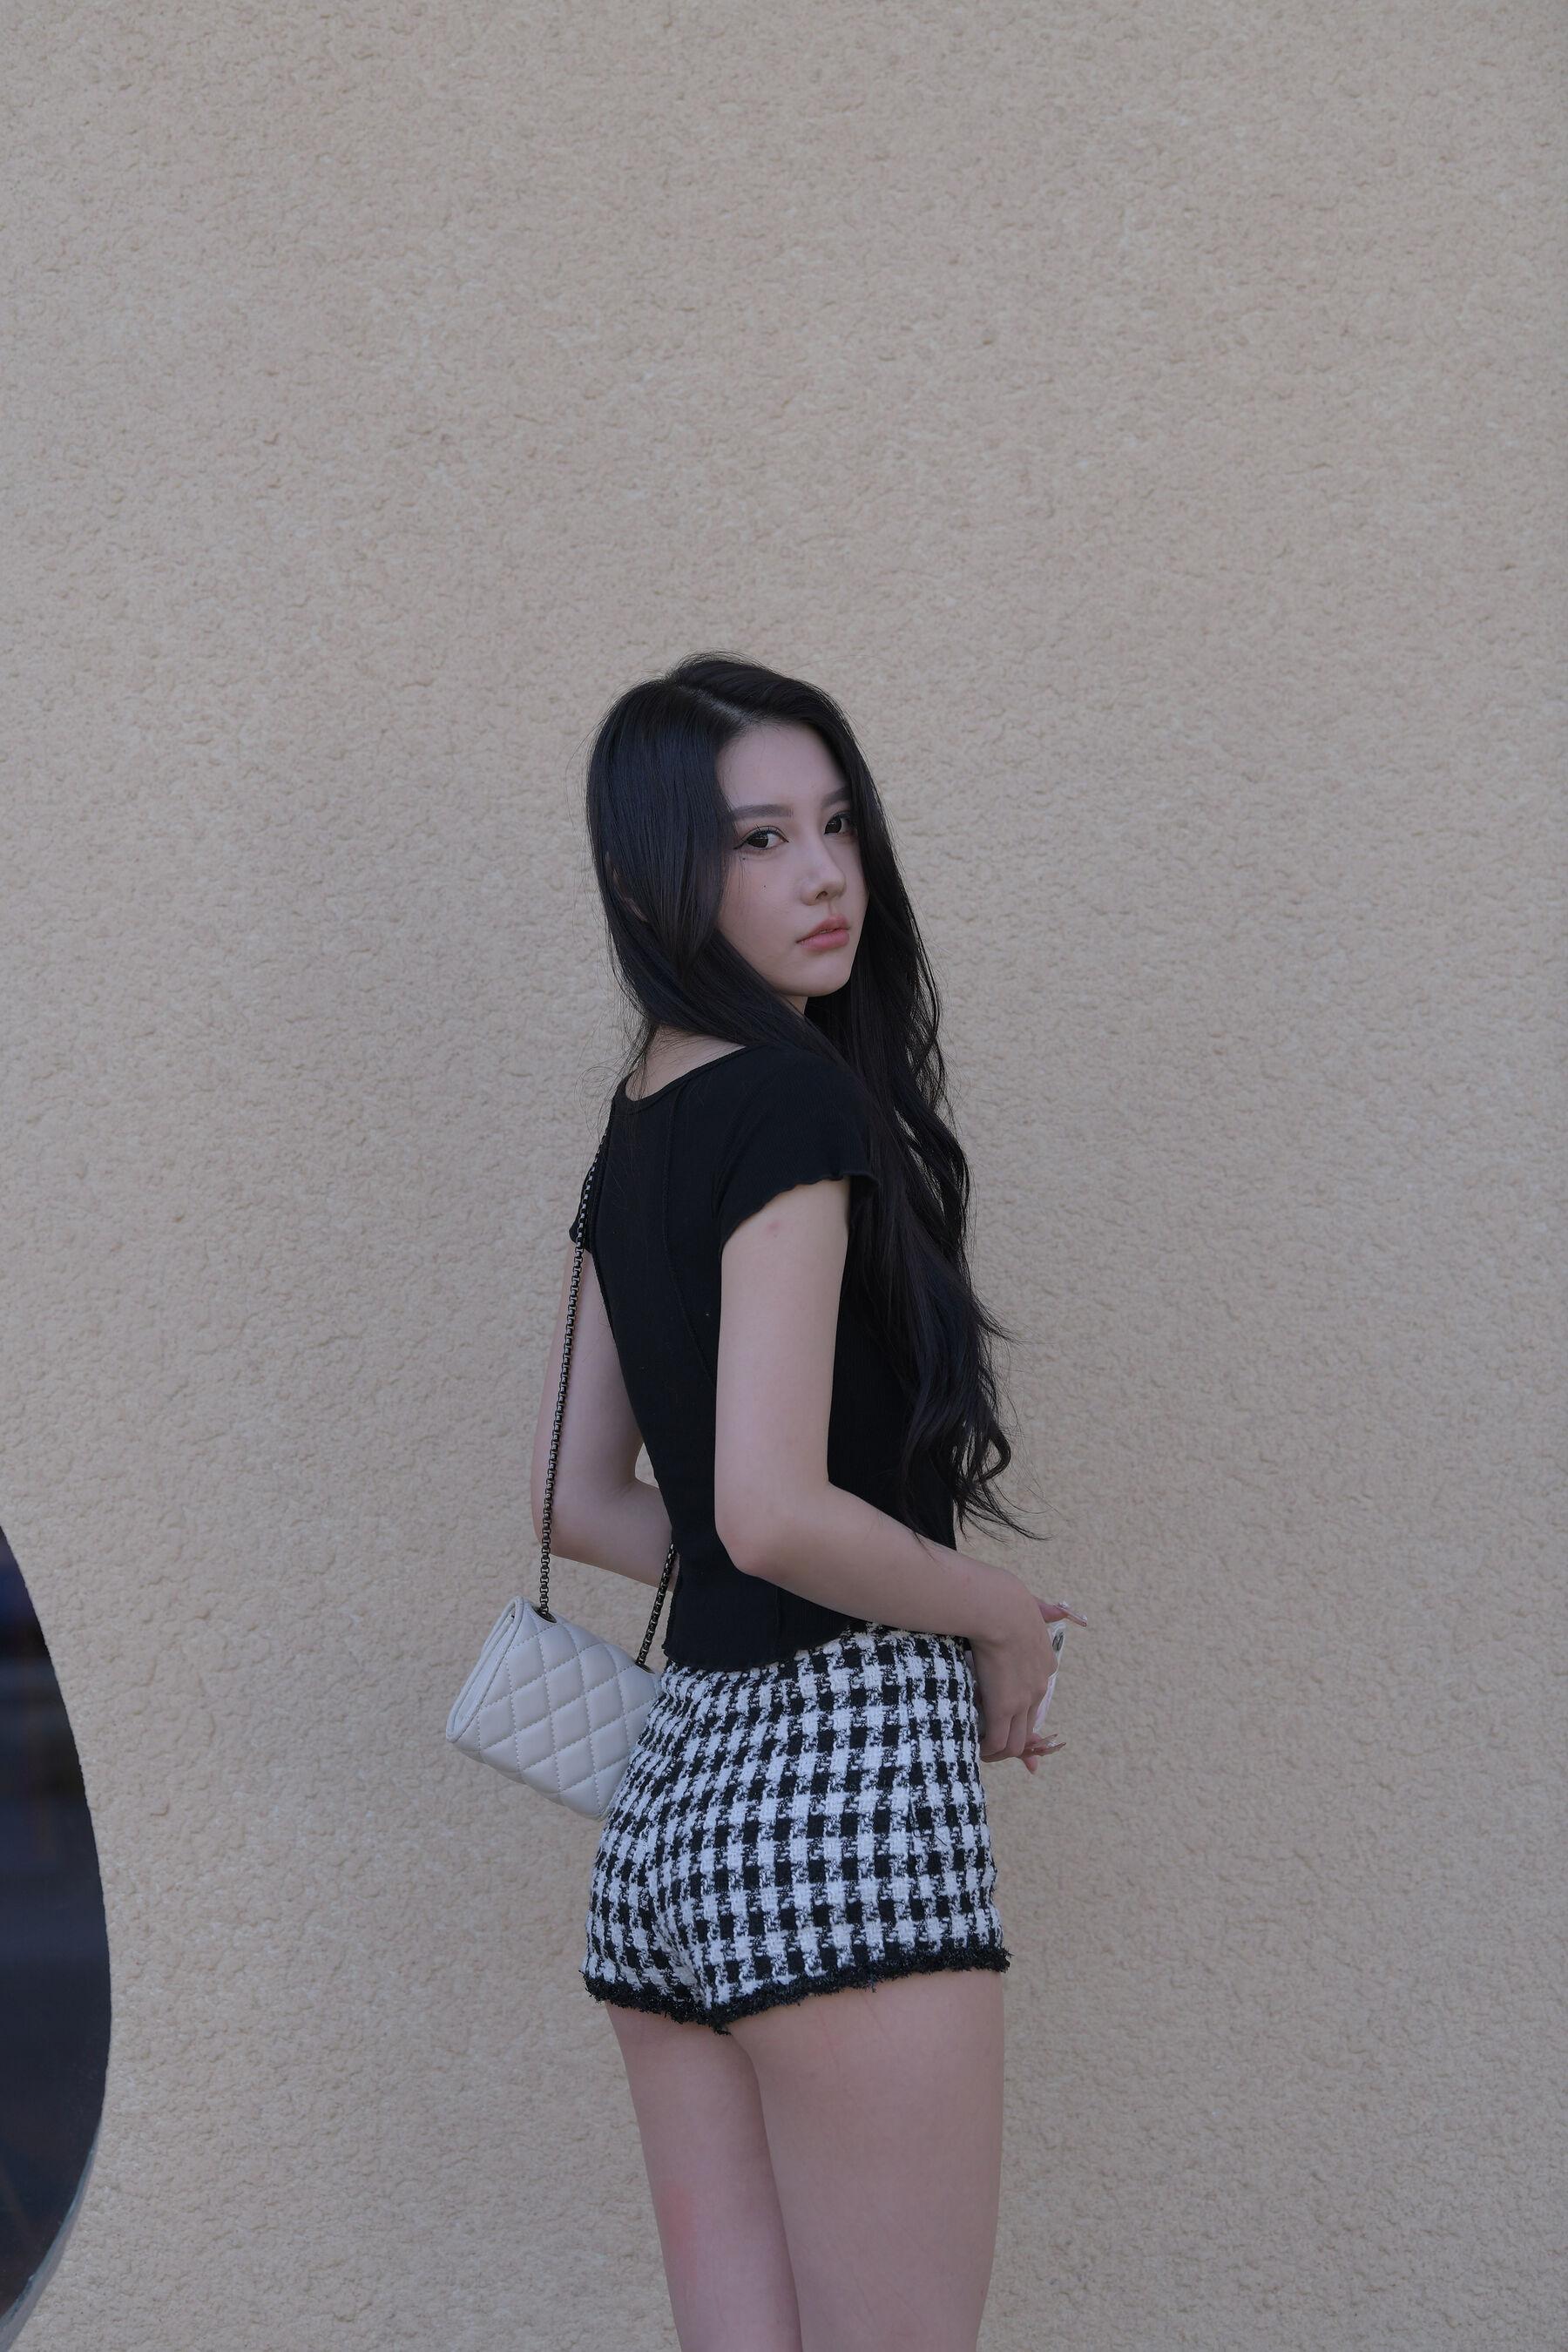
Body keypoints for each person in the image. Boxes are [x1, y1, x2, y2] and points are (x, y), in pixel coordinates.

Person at [531, 652, 1088, 2352]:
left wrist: (855, 1577)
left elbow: (584, 1498)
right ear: (651, 877)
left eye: (836, 824)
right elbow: (770, 1512)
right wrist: (991, 1616)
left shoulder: (639, 1118)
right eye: (760, 838)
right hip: (838, 1804)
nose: (825, 874)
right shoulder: (790, 1101)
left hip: (674, 1825)